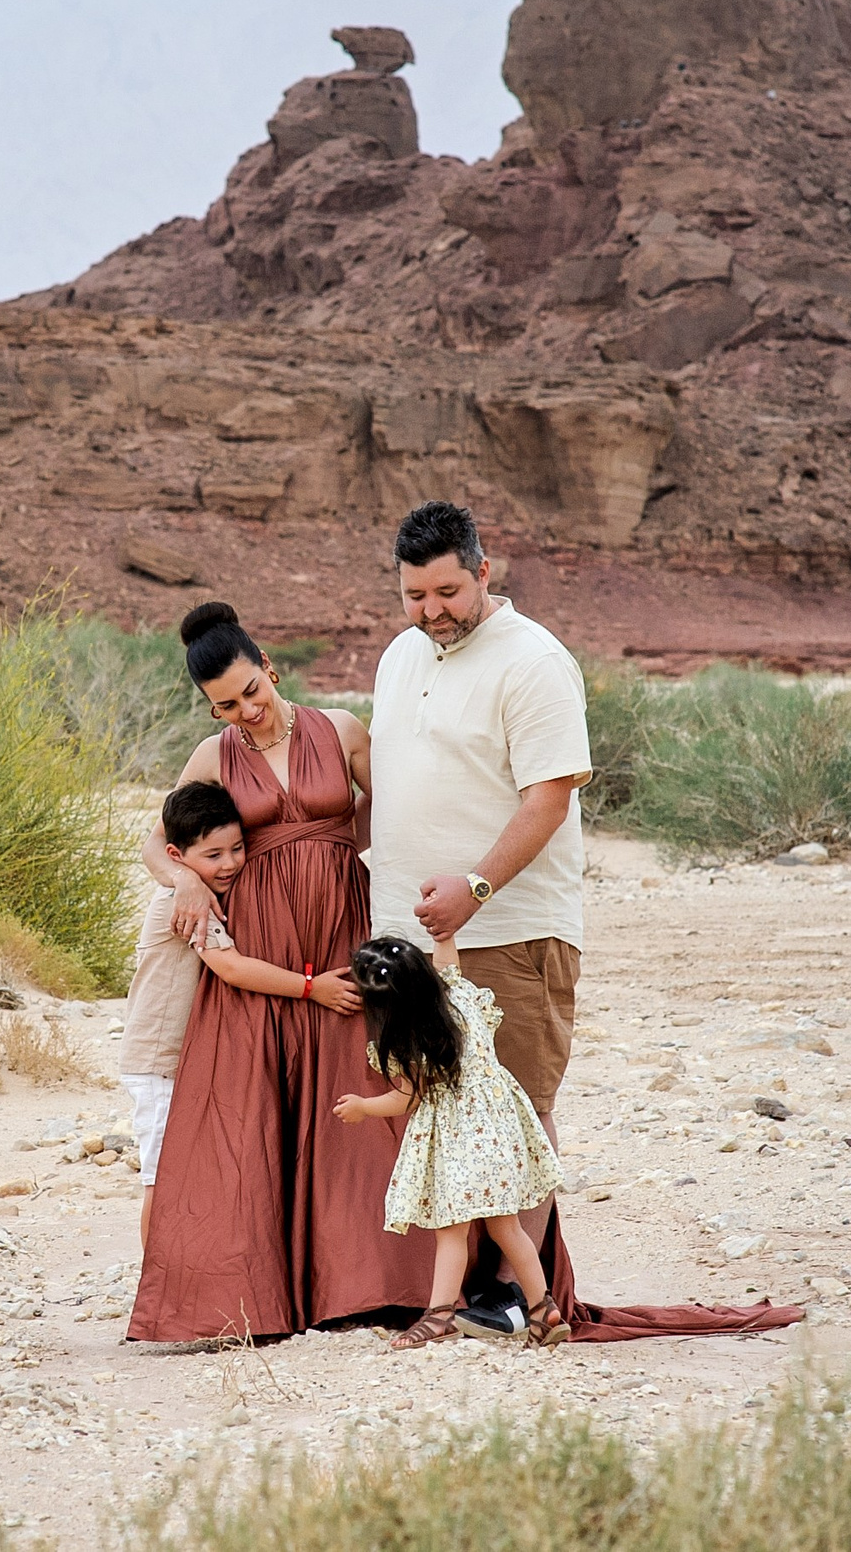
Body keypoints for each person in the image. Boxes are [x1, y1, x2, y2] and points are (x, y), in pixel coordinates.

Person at [128, 603, 433, 1342]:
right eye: (225, 705)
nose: (246, 711)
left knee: (355, 1091)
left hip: (342, 931)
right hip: (264, 943)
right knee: (261, 1107)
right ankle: (265, 1296)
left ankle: (374, 1281)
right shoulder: (214, 755)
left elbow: (394, 811)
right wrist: (188, 883)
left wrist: (348, 858)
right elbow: (156, 841)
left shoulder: (342, 729)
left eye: (251, 692)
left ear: (269, 664)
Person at [367, 500, 592, 1335]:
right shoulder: (400, 656)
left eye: (448, 592)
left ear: (484, 572)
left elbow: (549, 796)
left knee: (515, 1109)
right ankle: (442, 1290)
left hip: (509, 930)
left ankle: (517, 1297)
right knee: (432, 1105)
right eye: (414, 595)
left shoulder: (533, 661)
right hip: (407, 942)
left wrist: (476, 887)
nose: (432, 612)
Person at [334, 935, 568, 1350]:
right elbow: (449, 966)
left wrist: (364, 1107)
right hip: (501, 1132)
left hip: (460, 1145)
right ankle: (542, 1309)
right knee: (508, 1228)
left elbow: (407, 1098)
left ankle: (439, 1316)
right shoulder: (459, 998)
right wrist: (445, 936)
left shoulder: (410, 1038)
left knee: (451, 1233)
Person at [116, 782, 243, 1249]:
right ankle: (156, 1282)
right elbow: (229, 967)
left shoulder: (203, 888)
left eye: (237, 849)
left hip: (178, 1061)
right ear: (176, 855)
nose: (228, 863)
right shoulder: (184, 901)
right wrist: (311, 988)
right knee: (161, 1176)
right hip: (157, 1061)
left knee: (183, 1170)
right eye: (213, 855)